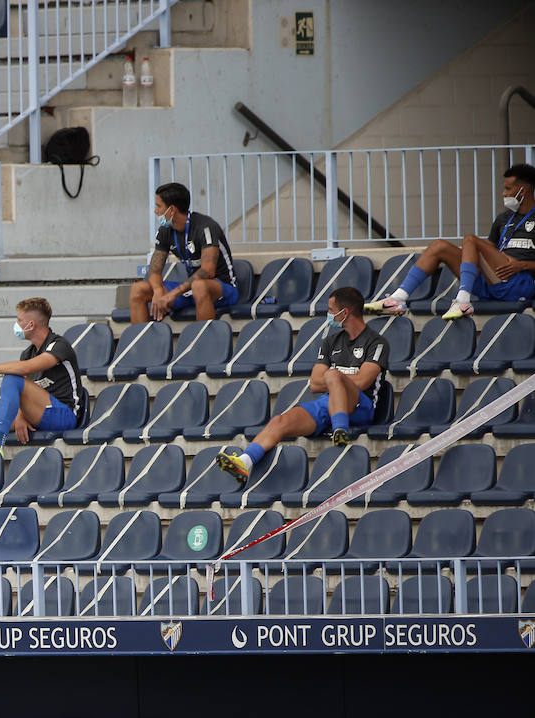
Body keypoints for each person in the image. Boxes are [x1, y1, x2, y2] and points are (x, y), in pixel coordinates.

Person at [216, 287, 386, 483]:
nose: (329, 315)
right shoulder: (331, 341)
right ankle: (245, 462)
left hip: (361, 405)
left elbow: (364, 381)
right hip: (330, 402)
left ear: (345, 312)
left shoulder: (375, 342)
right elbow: (314, 383)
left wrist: (336, 379)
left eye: (331, 310)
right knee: (280, 421)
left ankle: (341, 430)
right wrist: (337, 380)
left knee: (332, 374)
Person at [366, 163, 535, 320]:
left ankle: (462, 301)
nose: (504, 194)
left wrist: (522, 265)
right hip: (492, 281)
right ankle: (398, 298)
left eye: (508, 188)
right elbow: (487, 253)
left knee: (470, 239)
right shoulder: (503, 218)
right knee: (439, 246)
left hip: (519, 281)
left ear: (524, 189)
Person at [0, 297, 84, 452]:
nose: (16, 325)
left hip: (64, 415)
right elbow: (23, 393)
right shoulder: (28, 353)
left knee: (12, 378)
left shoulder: (59, 345)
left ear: (31, 324)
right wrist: (20, 415)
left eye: (19, 320)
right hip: (36, 412)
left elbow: (26, 369)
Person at [130, 182, 238, 323]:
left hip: (222, 288)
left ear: (172, 210)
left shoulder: (205, 227)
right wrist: (158, 291)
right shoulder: (165, 230)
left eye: (158, 206)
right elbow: (155, 270)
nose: (155, 211)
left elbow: (207, 272)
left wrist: (172, 294)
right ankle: (141, 343)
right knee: (138, 289)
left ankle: (204, 343)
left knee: (199, 286)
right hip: (191, 289)